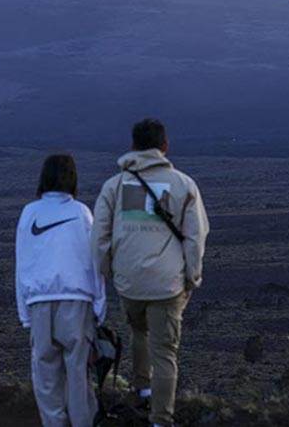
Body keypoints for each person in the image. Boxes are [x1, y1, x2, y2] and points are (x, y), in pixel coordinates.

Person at [92, 118, 209, 427]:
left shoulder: (114, 186)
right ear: (165, 147)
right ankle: (161, 420)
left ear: (133, 147)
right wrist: (191, 278)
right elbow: (196, 237)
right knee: (166, 351)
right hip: (167, 284)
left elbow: (99, 238)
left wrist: (111, 274)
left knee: (138, 331)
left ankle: (142, 388)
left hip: (129, 283)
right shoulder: (184, 184)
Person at [15, 153, 106, 427]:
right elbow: (94, 262)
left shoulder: (30, 213)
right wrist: (99, 305)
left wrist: (24, 312)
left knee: (46, 374)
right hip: (76, 301)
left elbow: (22, 262)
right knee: (78, 373)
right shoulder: (81, 212)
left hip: (39, 301)